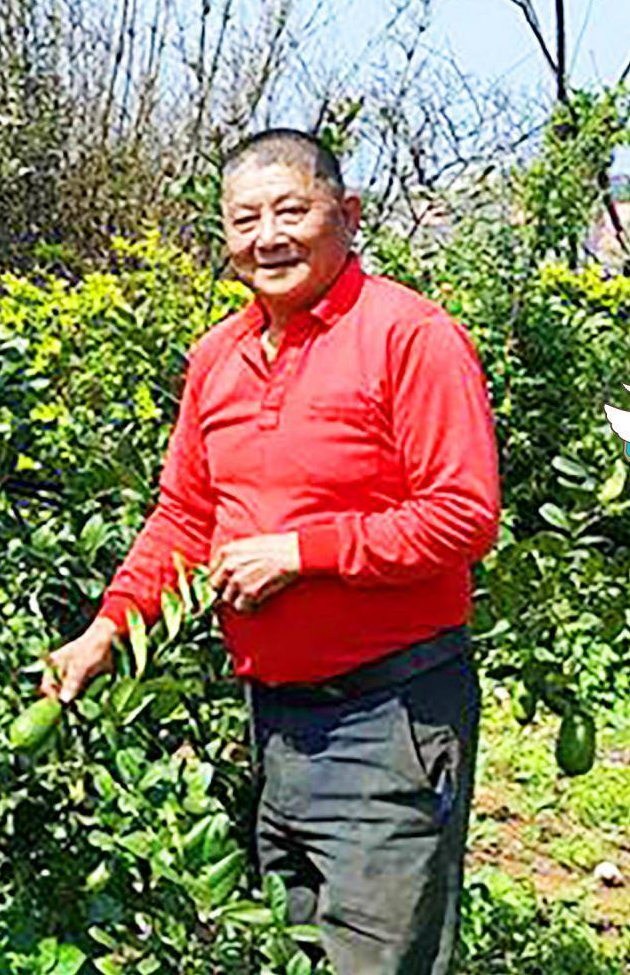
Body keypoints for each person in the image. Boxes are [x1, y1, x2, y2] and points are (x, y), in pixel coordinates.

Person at [42, 128, 501, 974]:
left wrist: (302, 552)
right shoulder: (216, 359)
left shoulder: (410, 337)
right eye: (245, 219)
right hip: (275, 721)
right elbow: (184, 516)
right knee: (296, 951)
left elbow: (463, 516)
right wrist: (108, 628)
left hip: (388, 715)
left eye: (292, 210)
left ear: (348, 215)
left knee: (381, 958)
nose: (269, 236)